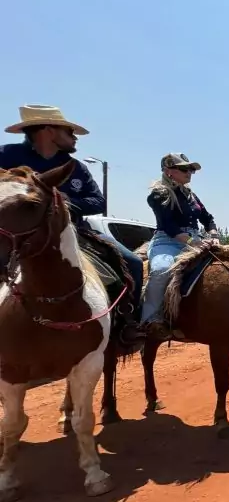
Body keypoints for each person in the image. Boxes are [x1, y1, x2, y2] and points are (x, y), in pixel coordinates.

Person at [1, 104, 145, 341]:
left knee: (133, 262)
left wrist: (65, 200)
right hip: (16, 234)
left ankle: (128, 322)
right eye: (68, 131)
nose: (74, 137)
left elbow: (97, 201)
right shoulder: (6, 156)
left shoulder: (77, 167)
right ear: (48, 131)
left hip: (74, 231)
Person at [140, 153, 220, 340]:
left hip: (196, 239)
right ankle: (150, 320)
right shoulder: (159, 194)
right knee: (161, 270)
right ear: (169, 171)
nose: (189, 172)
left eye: (191, 169)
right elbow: (168, 225)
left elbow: (207, 218)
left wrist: (214, 235)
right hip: (168, 241)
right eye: (185, 169)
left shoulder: (191, 195)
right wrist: (194, 242)